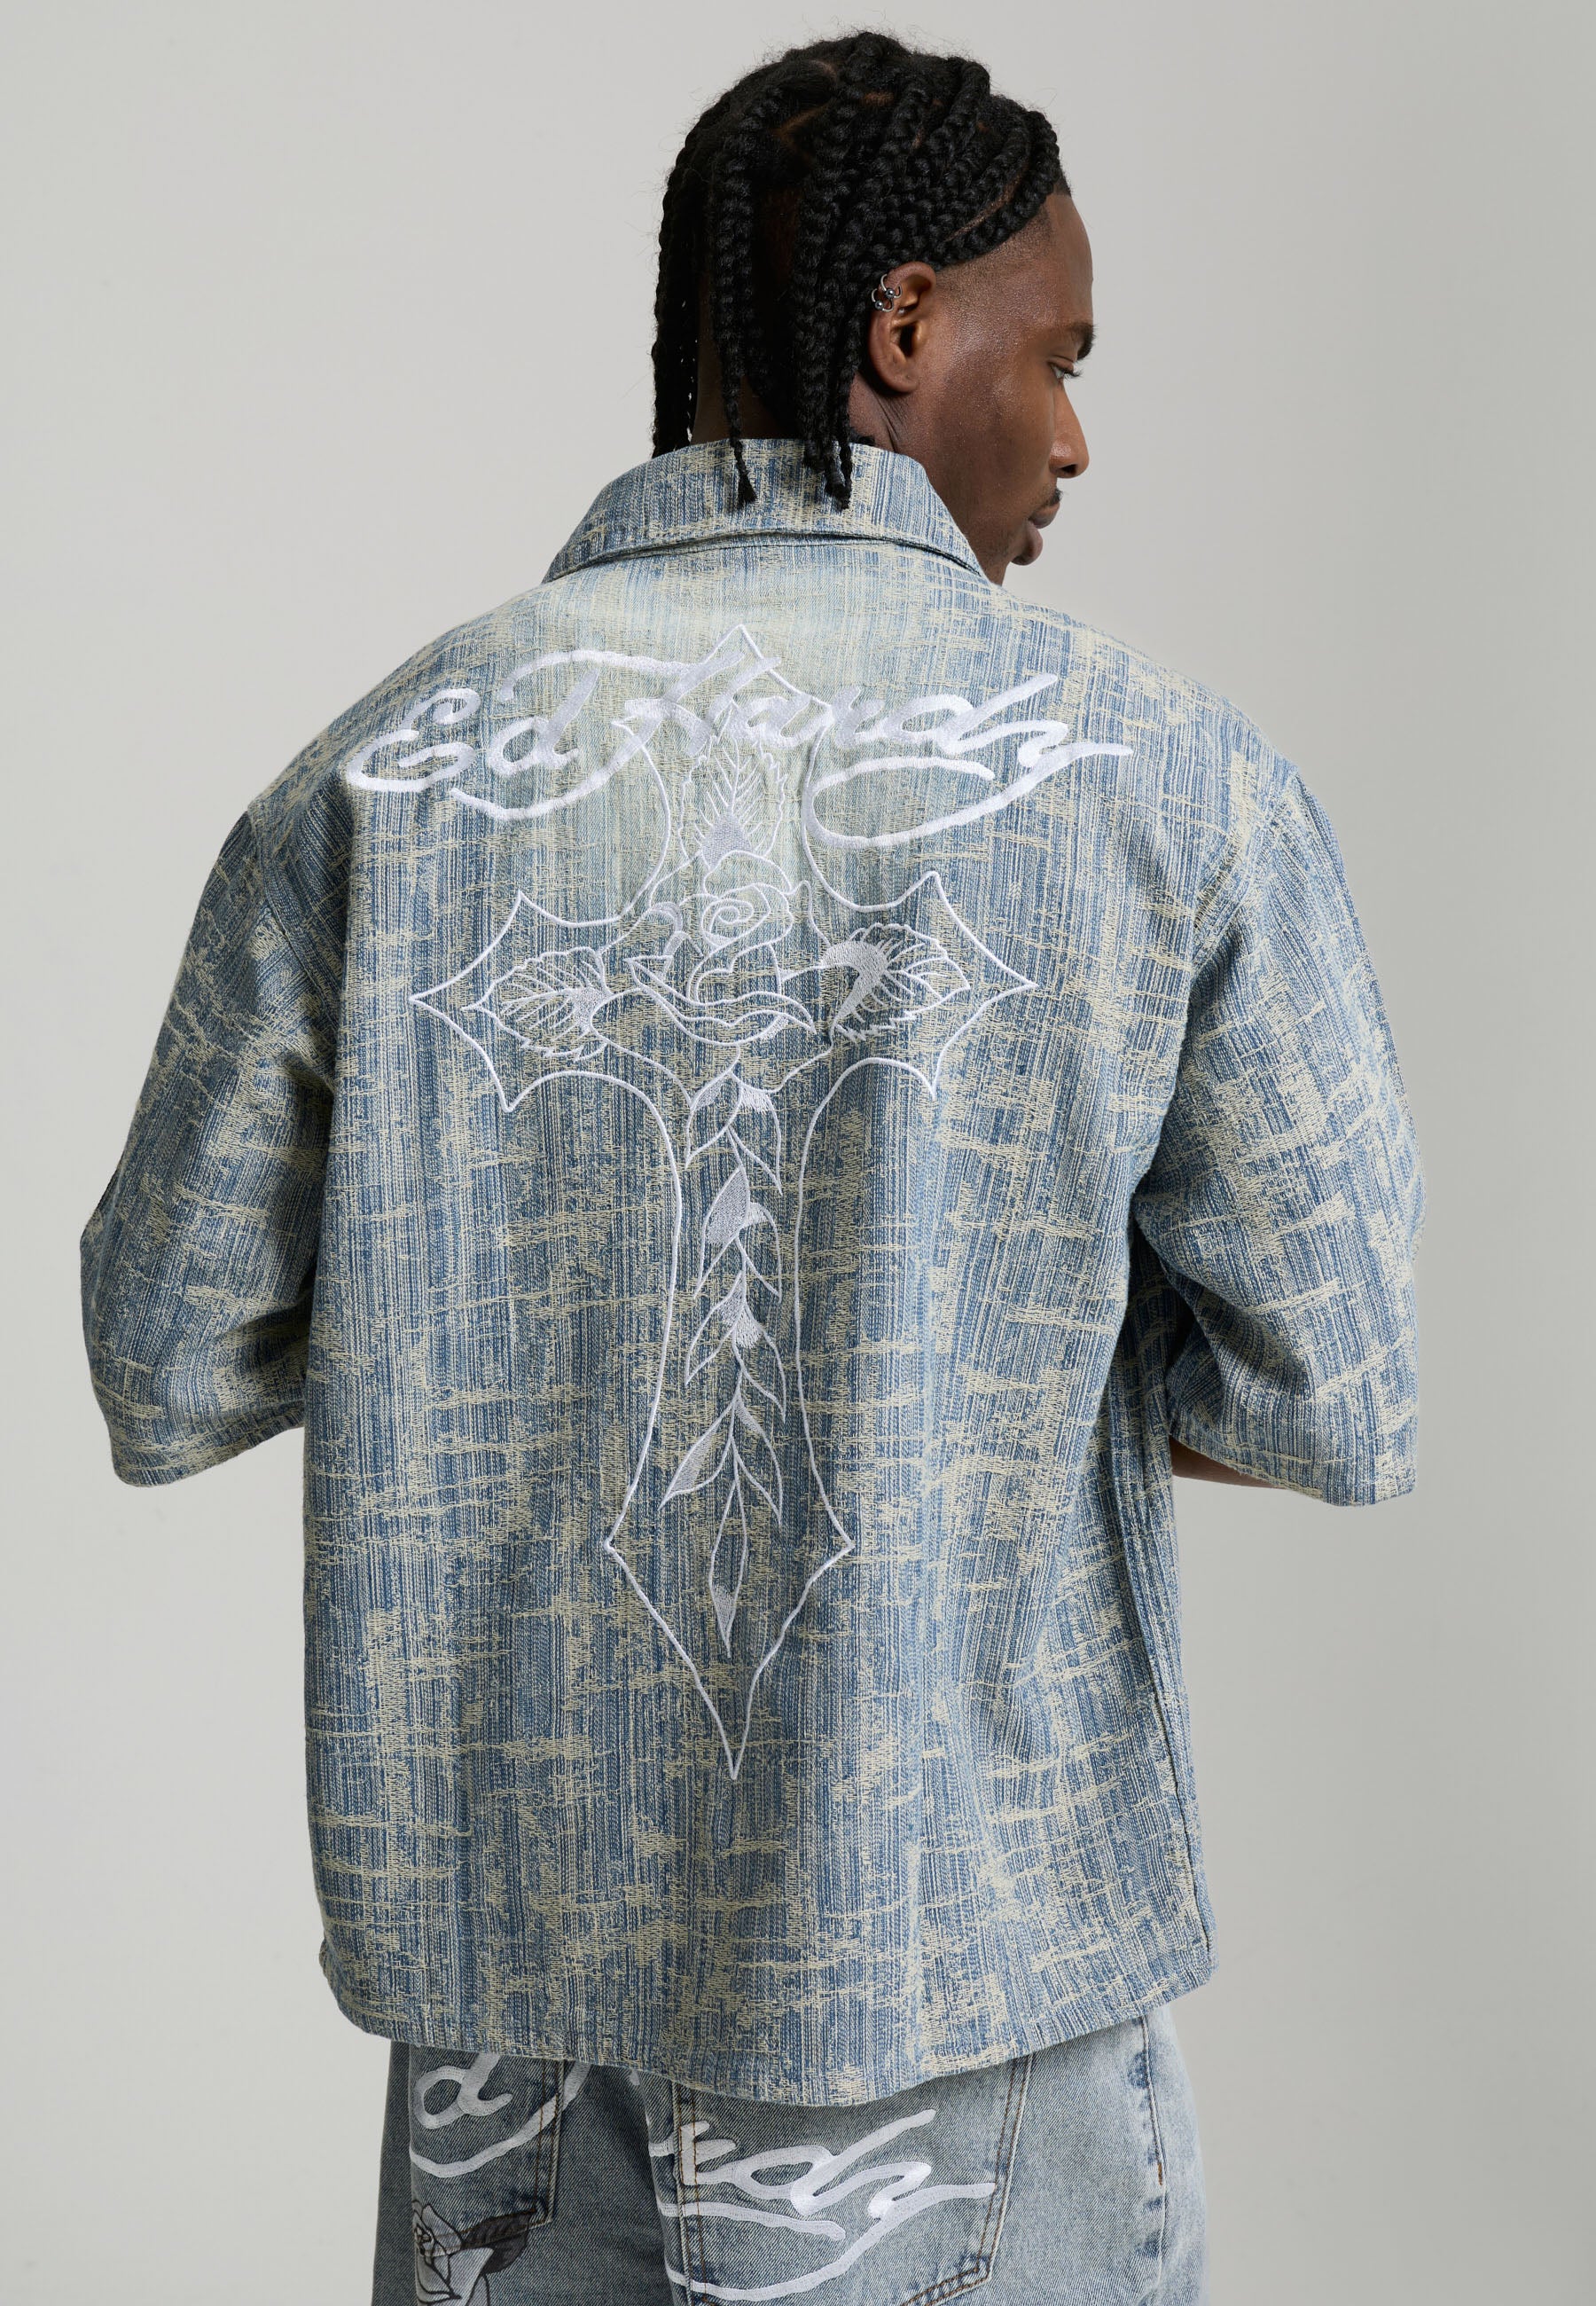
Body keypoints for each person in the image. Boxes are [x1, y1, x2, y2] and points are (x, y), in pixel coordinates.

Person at [80, 31, 1423, 2305]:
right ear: (907, 326)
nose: (1075, 436)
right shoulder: (1170, 789)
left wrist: (485, 1312)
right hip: (964, 2007)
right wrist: (992, 1356)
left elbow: (162, 1351)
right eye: (1060, 358)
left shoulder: (386, 777)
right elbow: (1339, 1384)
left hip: (511, 2036)